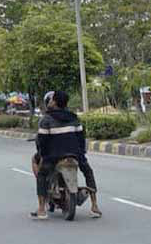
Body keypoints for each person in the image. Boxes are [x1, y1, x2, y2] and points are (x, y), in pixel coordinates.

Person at [31, 91, 101, 220]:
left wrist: (43, 155)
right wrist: (81, 154)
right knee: (88, 171)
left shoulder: (46, 119)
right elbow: (81, 139)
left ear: (55, 102)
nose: (50, 102)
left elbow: (42, 141)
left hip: (54, 156)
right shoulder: (74, 118)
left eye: (52, 99)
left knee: (42, 175)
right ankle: (95, 205)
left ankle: (41, 208)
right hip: (75, 155)